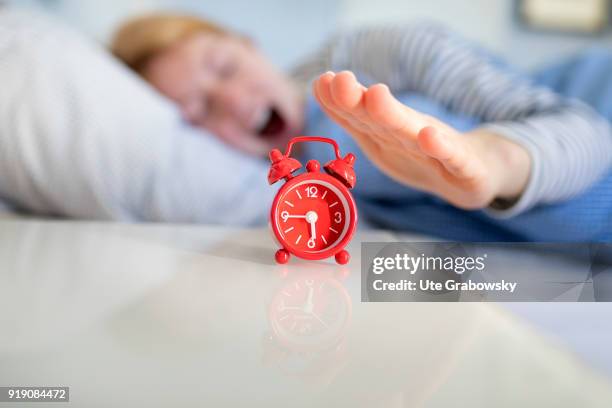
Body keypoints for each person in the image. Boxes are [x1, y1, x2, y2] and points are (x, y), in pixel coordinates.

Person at [111, 13, 612, 241]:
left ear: (250, 45)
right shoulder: (287, 179)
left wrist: (494, 161)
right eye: (197, 110)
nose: (231, 101)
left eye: (223, 68)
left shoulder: (377, 53)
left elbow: (582, 130)